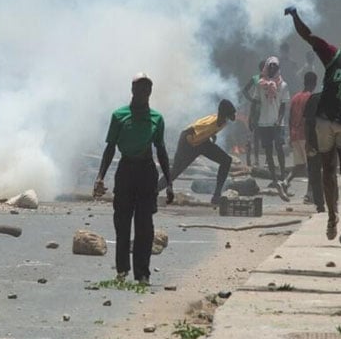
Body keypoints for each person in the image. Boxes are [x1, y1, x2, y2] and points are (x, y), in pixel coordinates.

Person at [285, 6, 341, 246]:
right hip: (324, 120)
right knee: (327, 169)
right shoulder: (335, 56)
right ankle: (333, 216)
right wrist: (295, 17)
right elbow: (309, 36)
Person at [94, 74, 173, 284]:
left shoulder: (157, 118)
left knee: (144, 225)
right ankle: (122, 270)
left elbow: (161, 150)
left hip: (147, 172)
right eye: (140, 88)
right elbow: (110, 147)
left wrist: (169, 182)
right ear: (132, 89)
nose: (143, 93)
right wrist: (100, 177)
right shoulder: (119, 115)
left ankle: (143, 273)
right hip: (126, 170)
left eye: (147, 89)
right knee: (122, 222)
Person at [160, 100, 237, 204]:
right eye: (230, 114)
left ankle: (217, 195)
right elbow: (191, 130)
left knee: (226, 160)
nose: (232, 117)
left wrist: (211, 135)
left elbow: (209, 131)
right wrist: (188, 151)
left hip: (202, 143)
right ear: (224, 114)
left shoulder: (222, 121)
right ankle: (151, 192)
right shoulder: (212, 122)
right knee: (175, 171)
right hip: (188, 142)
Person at [249, 56, 291, 201]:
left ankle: (283, 177)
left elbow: (283, 106)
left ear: (278, 68)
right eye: (270, 66)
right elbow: (255, 102)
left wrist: (279, 120)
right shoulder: (260, 85)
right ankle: (274, 178)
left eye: (275, 66)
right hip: (263, 122)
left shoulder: (283, 85)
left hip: (277, 124)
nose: (272, 69)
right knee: (267, 151)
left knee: (279, 148)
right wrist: (251, 118)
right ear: (267, 68)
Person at [289, 72, 318, 192]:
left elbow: (289, 117)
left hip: (295, 134)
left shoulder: (295, 97)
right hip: (306, 136)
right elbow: (311, 120)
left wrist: (290, 134)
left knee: (300, 165)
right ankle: (309, 193)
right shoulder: (311, 98)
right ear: (314, 83)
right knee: (312, 166)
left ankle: (285, 182)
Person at [302, 87, 326, 212]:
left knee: (315, 174)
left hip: (315, 143)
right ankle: (328, 201)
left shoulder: (314, 98)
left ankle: (320, 204)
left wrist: (307, 142)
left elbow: (306, 122)